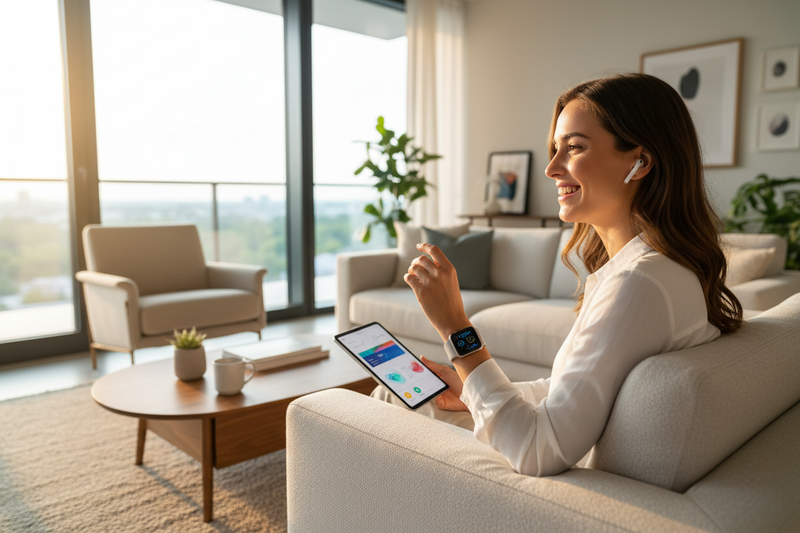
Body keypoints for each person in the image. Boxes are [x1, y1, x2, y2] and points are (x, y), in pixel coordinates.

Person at [371, 73, 743, 476]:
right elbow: (567, 393)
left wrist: (455, 328)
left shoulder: (638, 284)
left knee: (386, 400)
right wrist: (470, 389)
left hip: (548, 478)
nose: (551, 168)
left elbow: (537, 450)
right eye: (555, 149)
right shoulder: (655, 270)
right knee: (407, 396)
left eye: (574, 148)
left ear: (641, 162)